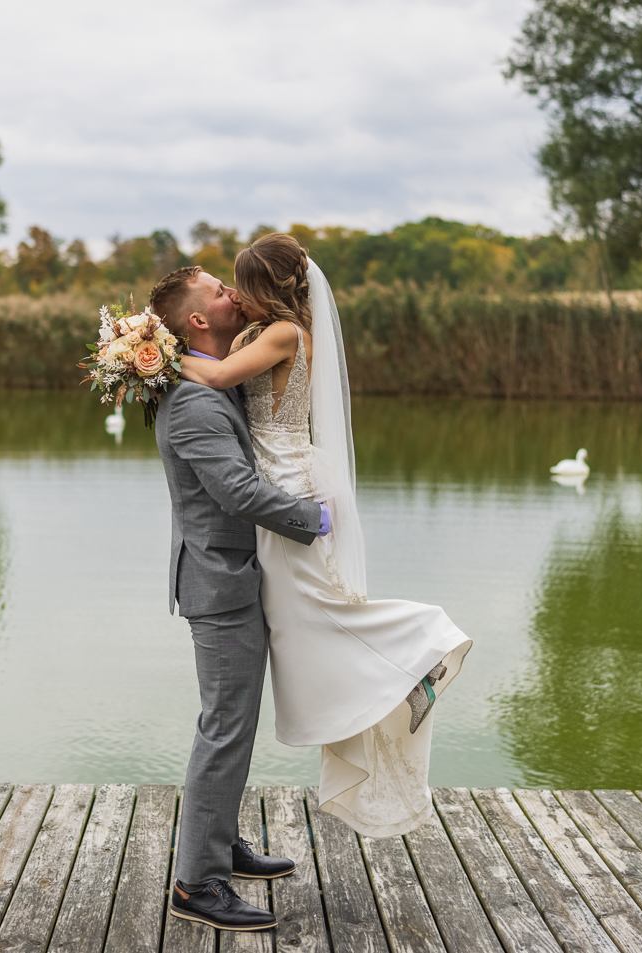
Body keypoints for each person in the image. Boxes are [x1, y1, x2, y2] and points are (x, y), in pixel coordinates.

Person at [178, 232, 472, 838]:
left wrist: (147, 354)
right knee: (300, 617)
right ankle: (380, 689)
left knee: (319, 607)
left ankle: (424, 649)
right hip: (273, 475)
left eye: (241, 284)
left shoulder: (286, 332)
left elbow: (216, 378)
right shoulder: (254, 333)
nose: (233, 293)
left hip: (288, 481)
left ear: (271, 289)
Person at [148, 263, 328, 932]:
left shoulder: (218, 378)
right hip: (219, 583)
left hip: (234, 573)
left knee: (235, 723)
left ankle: (218, 844)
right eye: (219, 291)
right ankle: (196, 884)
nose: (232, 292)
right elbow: (239, 494)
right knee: (223, 728)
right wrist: (317, 520)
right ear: (198, 320)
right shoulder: (194, 402)